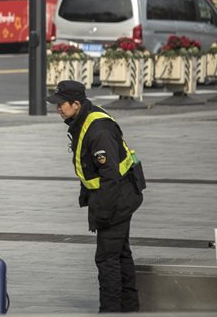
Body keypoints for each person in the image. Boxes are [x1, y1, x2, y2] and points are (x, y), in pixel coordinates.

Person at [47, 80, 144, 313]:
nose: (58, 108)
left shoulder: (97, 130)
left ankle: (110, 309)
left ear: (76, 104)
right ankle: (129, 306)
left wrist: (102, 213)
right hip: (120, 194)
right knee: (120, 253)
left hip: (116, 198)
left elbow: (109, 175)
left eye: (61, 104)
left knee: (107, 258)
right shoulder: (84, 119)